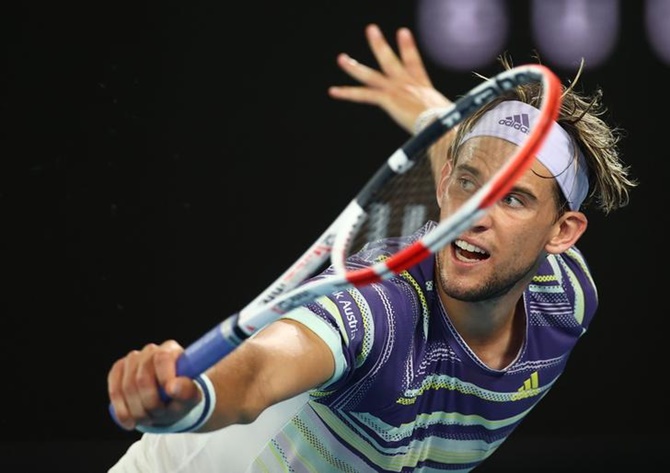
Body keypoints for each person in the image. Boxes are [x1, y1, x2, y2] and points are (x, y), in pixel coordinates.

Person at [107, 23, 637, 472]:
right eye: (470, 183)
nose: (476, 214)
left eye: (514, 199)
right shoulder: (378, 308)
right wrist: (189, 398)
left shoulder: (564, 301)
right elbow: (260, 372)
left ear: (562, 233)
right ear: (444, 181)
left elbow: (470, 167)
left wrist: (432, 111)